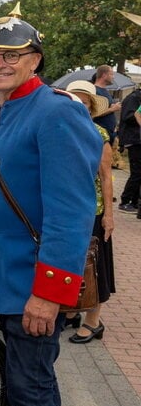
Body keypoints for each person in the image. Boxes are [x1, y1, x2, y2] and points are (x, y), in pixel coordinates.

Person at [0, 8, 102, 406]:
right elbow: (0, 200)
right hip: (9, 274)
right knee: (26, 383)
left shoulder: (56, 110)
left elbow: (70, 211)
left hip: (36, 281)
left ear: (35, 60)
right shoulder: (0, 112)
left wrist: (48, 294)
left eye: (11, 55)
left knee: (31, 391)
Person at [64, 80, 115, 344]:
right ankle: (72, 310)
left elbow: (106, 177)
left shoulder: (99, 134)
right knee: (72, 262)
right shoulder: (63, 131)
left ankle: (94, 321)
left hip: (93, 210)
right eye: (74, 101)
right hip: (68, 209)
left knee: (95, 266)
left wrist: (108, 215)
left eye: (84, 102)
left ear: (91, 106)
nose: (80, 106)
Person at [117, 85, 141, 214]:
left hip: (137, 139)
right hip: (134, 140)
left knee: (138, 172)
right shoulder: (133, 98)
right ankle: (125, 201)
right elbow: (128, 116)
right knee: (136, 172)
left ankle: (134, 201)